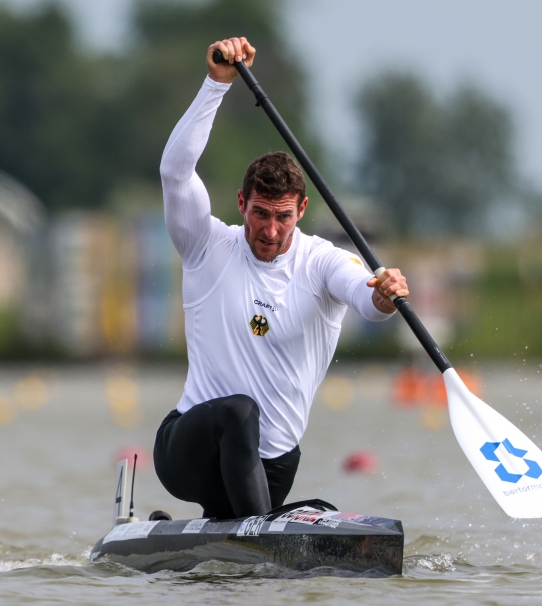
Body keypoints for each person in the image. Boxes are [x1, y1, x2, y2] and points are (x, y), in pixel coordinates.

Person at [153, 37, 409, 520]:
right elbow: (174, 171)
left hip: (273, 465)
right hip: (189, 448)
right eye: (261, 214)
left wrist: (385, 297)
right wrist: (216, 84)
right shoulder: (206, 245)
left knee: (251, 452)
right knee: (239, 411)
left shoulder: (323, 262)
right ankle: (259, 534)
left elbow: (365, 298)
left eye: (283, 217)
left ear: (302, 210)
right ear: (241, 204)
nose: (270, 231)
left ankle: (214, 531)